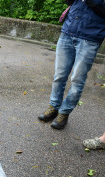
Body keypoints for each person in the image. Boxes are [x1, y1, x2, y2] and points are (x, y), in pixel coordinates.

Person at [38, 0, 105, 129]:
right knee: (59, 75)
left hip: (90, 38)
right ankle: (54, 107)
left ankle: (64, 113)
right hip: (68, 31)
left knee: (77, 80)